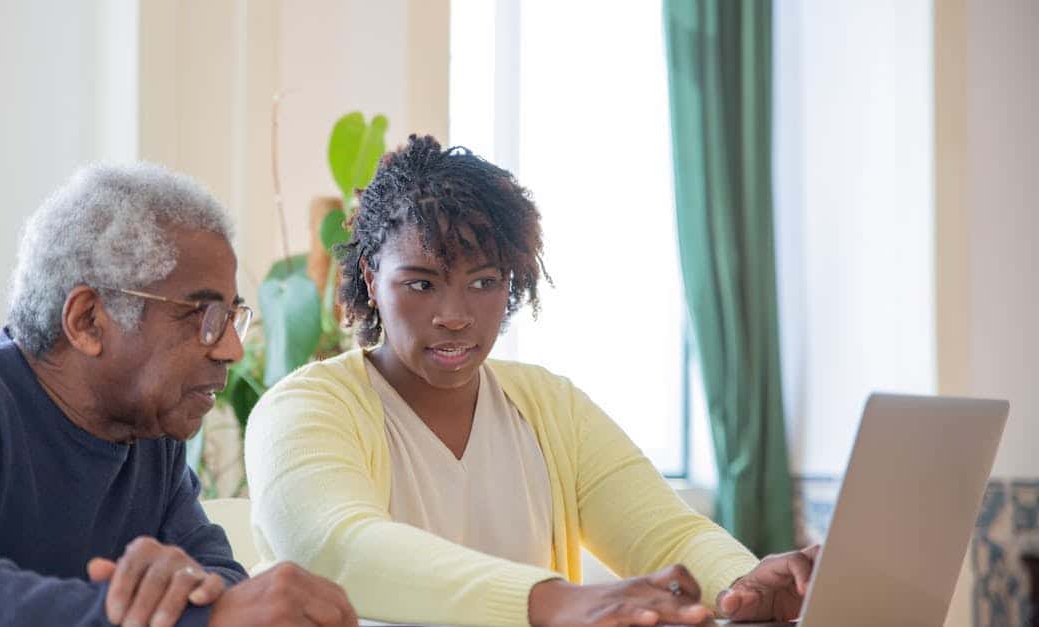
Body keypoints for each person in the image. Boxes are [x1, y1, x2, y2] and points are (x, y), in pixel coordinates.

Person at [245, 136, 819, 626]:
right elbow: (340, 549)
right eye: (420, 284)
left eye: (483, 281)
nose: (455, 314)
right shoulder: (302, 410)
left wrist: (741, 584)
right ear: (372, 279)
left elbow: (667, 535)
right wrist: (556, 603)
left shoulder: (549, 406)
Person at [0, 164, 356, 627]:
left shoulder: (151, 437)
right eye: (204, 316)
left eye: (231, 316)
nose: (232, 348)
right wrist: (134, 611)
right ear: (87, 320)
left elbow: (217, 577)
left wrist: (196, 597)